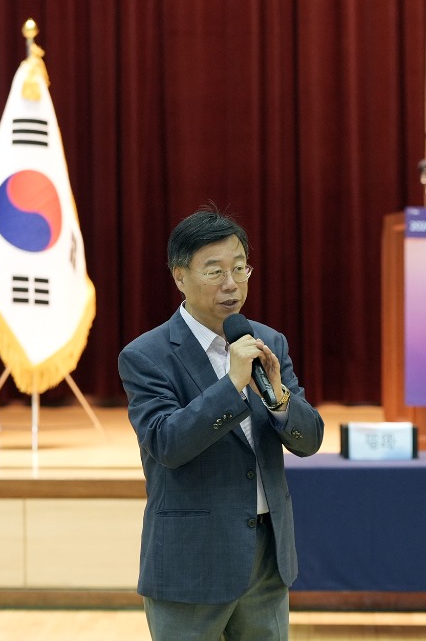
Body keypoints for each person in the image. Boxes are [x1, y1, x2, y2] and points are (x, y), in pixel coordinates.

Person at [118, 206, 324, 640]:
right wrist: (231, 384)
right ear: (179, 276)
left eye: (240, 267)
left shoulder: (268, 342)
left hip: (266, 557)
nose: (232, 283)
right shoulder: (147, 355)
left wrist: (280, 398)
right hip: (191, 563)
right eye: (214, 271)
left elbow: (309, 440)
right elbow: (167, 443)